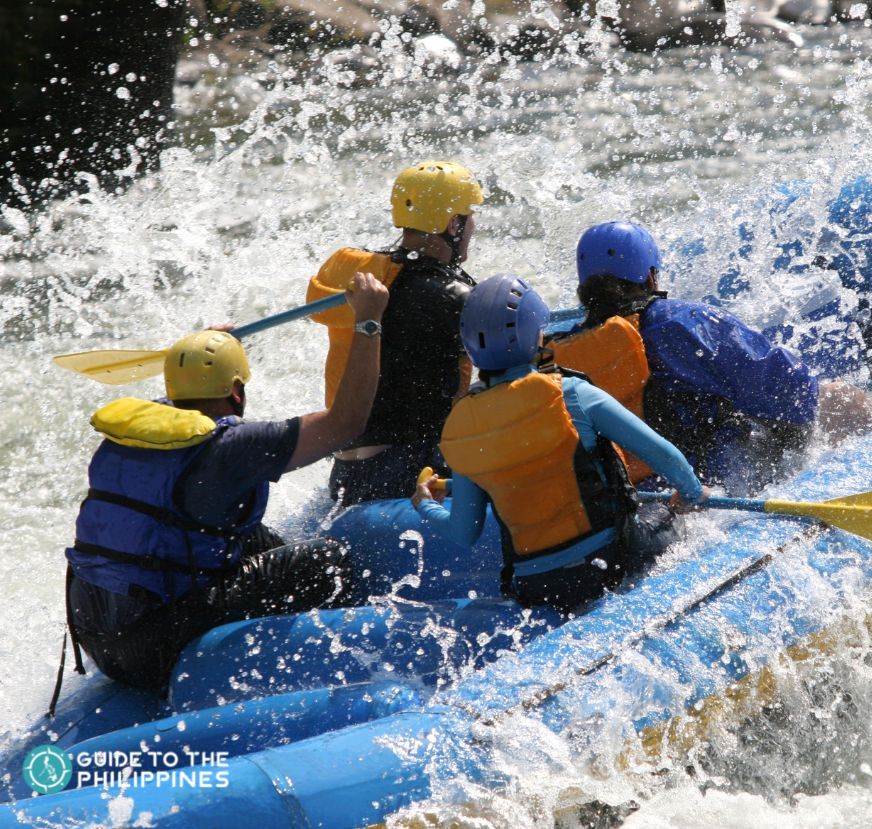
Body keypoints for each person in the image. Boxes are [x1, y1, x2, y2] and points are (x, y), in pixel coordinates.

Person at [58, 273, 390, 702]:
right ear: (236, 392)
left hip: (96, 634)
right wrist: (368, 321)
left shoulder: (134, 429)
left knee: (253, 536)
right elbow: (346, 423)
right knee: (327, 560)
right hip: (151, 650)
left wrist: (203, 349)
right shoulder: (233, 447)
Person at [411, 274, 708, 612]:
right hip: (610, 561)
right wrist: (692, 494)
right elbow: (662, 455)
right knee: (668, 513)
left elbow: (465, 531)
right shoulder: (571, 394)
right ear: (531, 335)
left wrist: (425, 504)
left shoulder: (462, 426)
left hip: (535, 586)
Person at [547, 221, 870, 493]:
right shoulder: (682, 323)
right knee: (839, 398)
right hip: (705, 487)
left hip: (628, 498)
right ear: (650, 277)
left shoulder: (561, 354)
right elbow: (791, 394)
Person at [306, 160, 484, 507]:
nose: (474, 224)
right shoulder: (454, 298)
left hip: (345, 474)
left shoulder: (369, 278)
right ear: (453, 224)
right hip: (408, 472)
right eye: (470, 215)